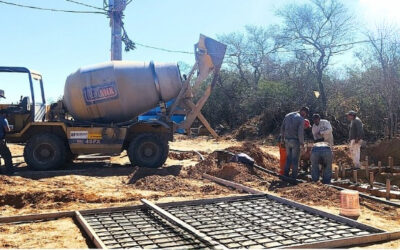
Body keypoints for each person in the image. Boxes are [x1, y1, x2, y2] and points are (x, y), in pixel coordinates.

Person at [280, 106, 309, 179]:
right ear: (303, 111)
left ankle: (285, 175)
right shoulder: (301, 119)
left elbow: (282, 128)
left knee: (288, 158)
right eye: (305, 113)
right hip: (295, 141)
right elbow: (300, 132)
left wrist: (282, 139)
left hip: (287, 140)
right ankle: (293, 177)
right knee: (295, 159)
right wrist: (302, 143)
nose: (305, 115)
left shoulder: (287, 115)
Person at [0, 97, 14, 175]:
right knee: (7, 155)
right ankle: (9, 171)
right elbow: (7, 130)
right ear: (4, 114)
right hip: (1, 141)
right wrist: (11, 128)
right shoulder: (3, 119)